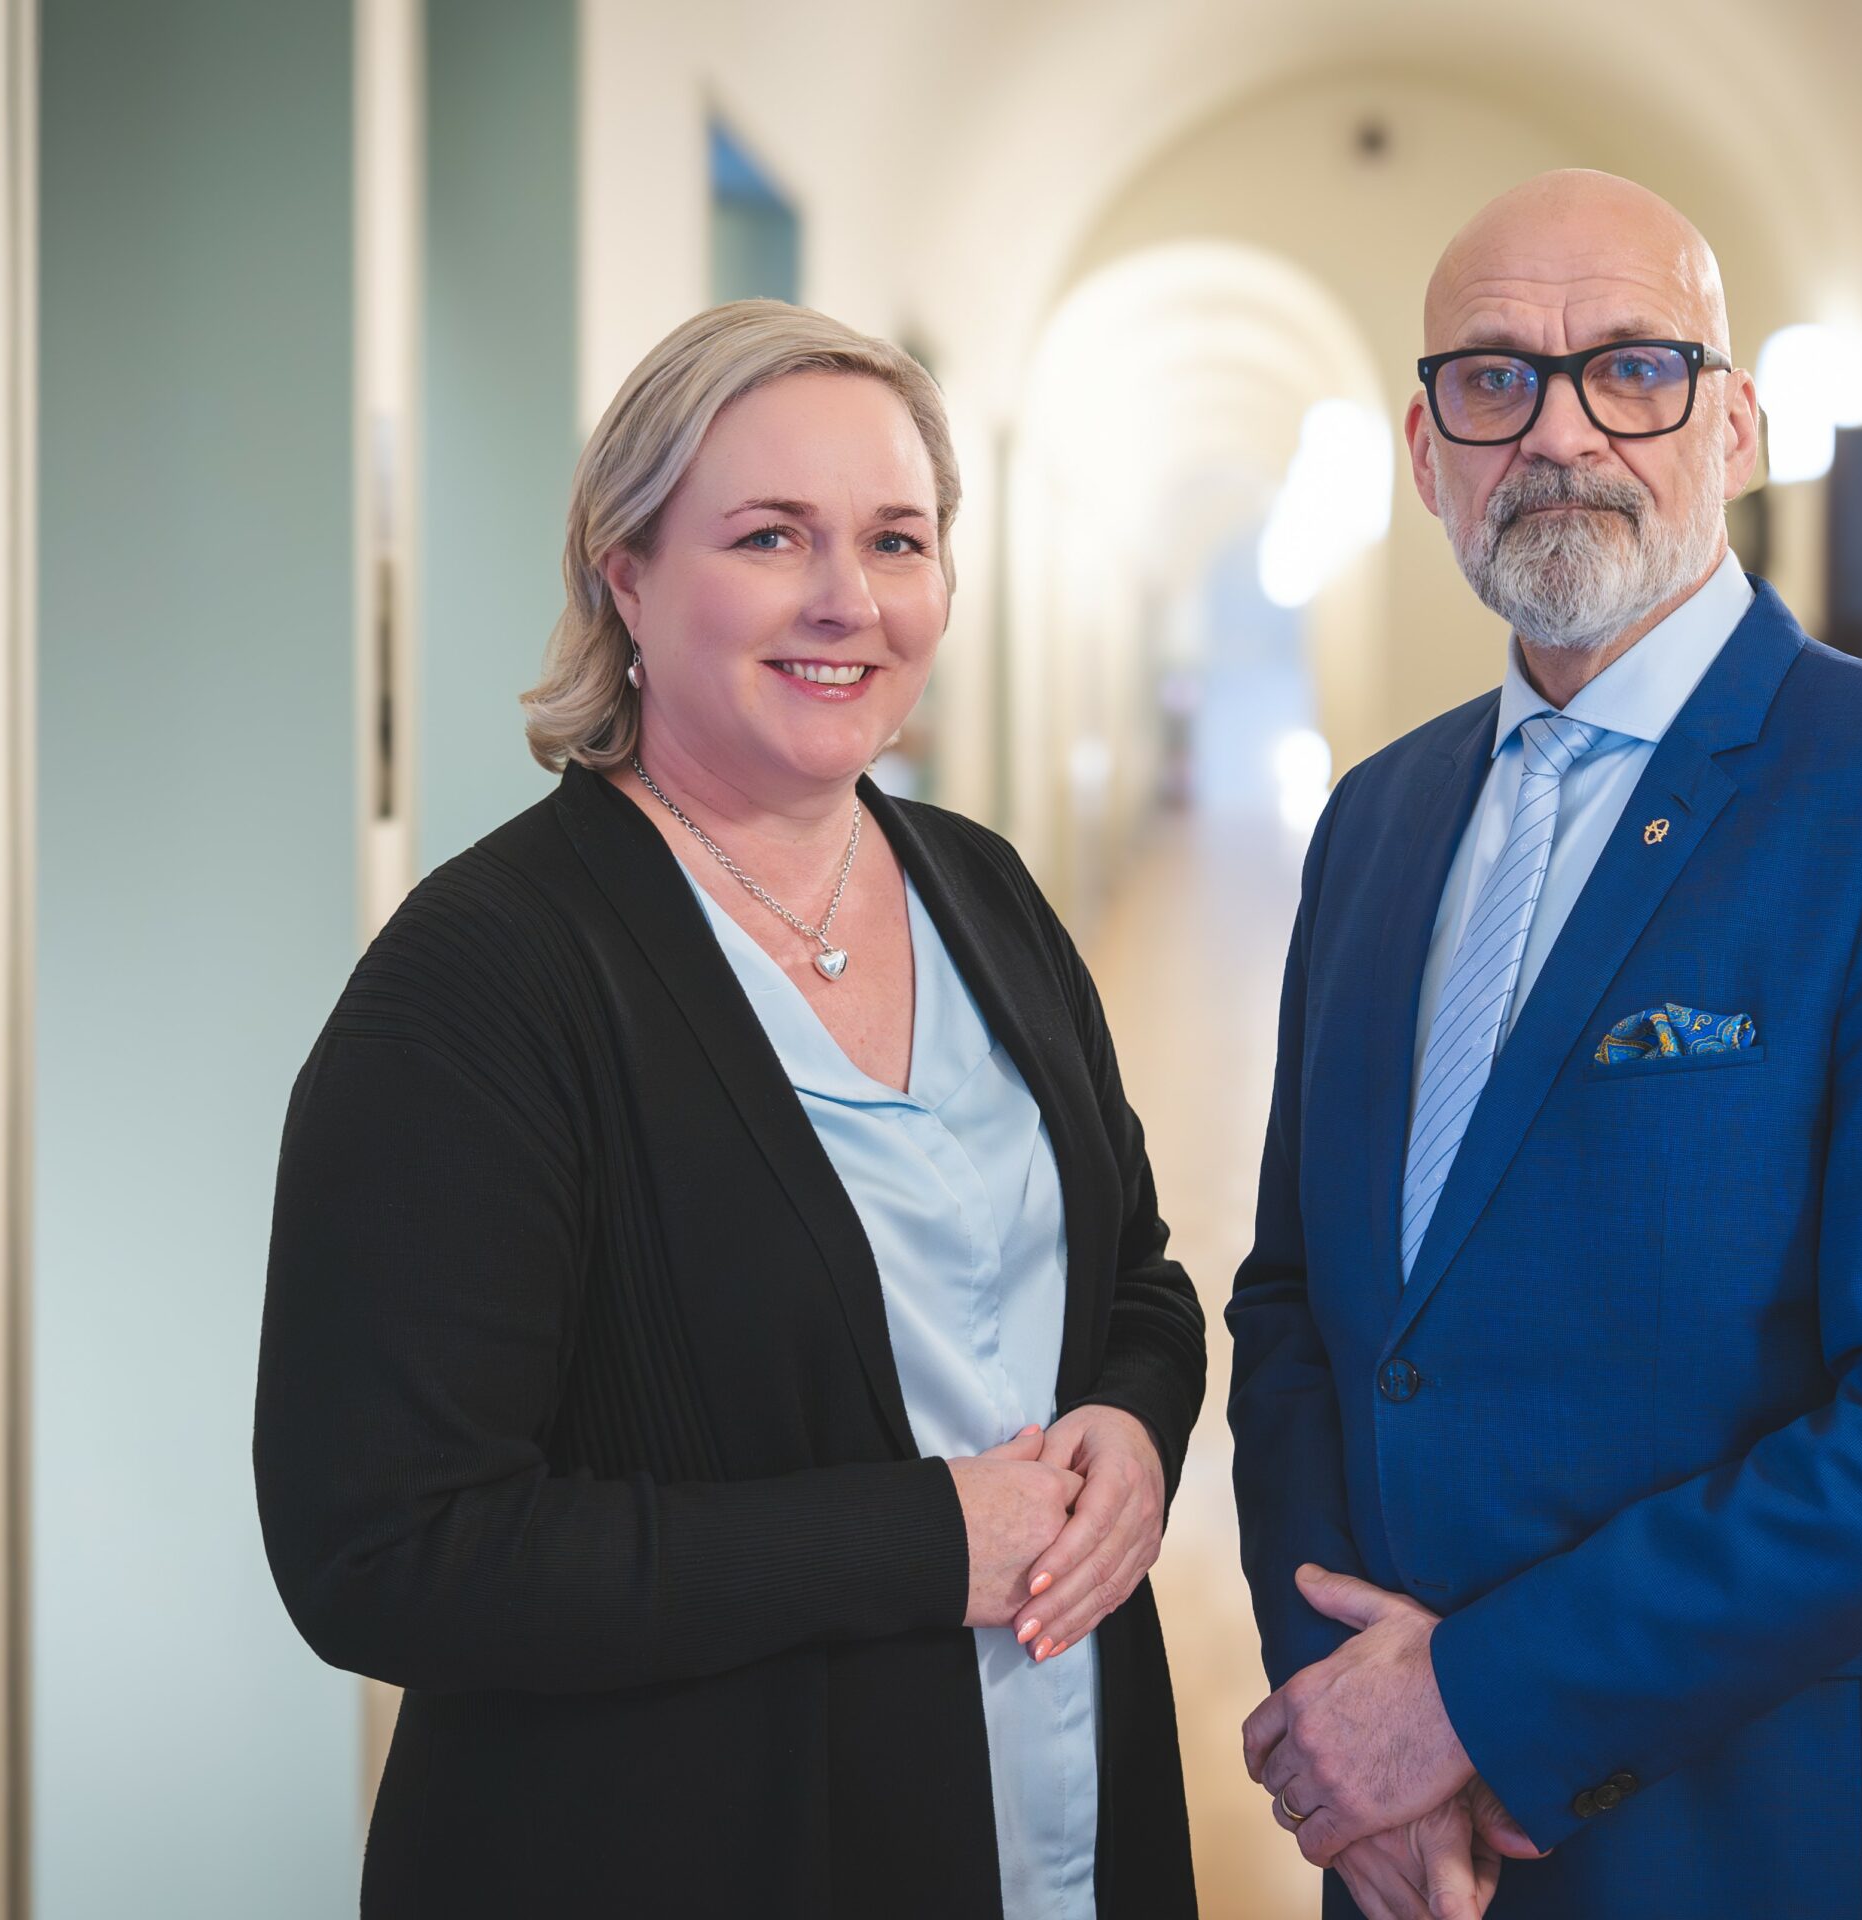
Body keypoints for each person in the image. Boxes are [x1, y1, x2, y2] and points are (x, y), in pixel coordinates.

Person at [255, 300, 1205, 1919]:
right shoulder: (483, 982)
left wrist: (1136, 1426)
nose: (848, 600)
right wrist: (923, 1543)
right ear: (624, 574)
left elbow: (1136, 1280)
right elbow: (387, 1551)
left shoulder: (982, 893)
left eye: (896, 540)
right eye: (771, 537)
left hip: (1059, 1811)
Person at [1226, 170, 1862, 1919]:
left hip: (1756, 1826)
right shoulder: (1376, 820)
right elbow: (1300, 1303)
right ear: (1426, 452)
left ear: (1737, 427)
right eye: (1494, 379)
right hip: (1397, 1844)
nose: (1560, 431)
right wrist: (1347, 1721)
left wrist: (1468, 1705)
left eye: (1633, 367)